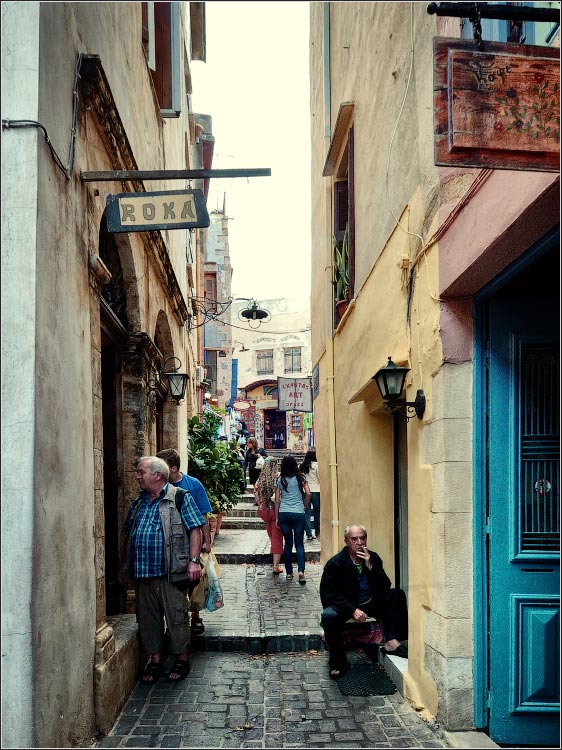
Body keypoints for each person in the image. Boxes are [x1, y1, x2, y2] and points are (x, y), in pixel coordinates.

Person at [119, 456, 205, 684]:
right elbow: (128, 534)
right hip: (143, 571)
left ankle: (181, 657)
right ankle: (155, 659)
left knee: (176, 615)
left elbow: (196, 529)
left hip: (171, 570)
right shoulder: (138, 502)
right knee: (148, 618)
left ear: (157, 475)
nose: (137, 476)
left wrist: (194, 561)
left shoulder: (179, 497)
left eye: (140, 472)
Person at [319, 524, 408, 680]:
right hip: (346, 606)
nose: (359, 542)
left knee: (397, 594)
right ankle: (338, 661)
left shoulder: (372, 557)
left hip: (369, 602)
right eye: (354, 539)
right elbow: (328, 594)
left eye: (362, 538)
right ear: (346, 541)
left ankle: (392, 642)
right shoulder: (336, 563)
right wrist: (352, 609)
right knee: (328, 616)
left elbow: (385, 586)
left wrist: (371, 566)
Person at [156, 448, 212, 637]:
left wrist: (207, 540)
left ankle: (194, 615)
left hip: (191, 540)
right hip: (168, 543)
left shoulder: (192, 484)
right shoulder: (158, 488)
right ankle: (173, 620)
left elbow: (203, 513)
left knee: (193, 581)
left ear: (172, 469)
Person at [274, 455, 311, 584]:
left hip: (284, 512)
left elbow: (277, 500)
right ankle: (301, 571)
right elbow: (308, 494)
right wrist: (305, 506)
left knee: (288, 544)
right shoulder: (301, 478)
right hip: (298, 512)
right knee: (299, 544)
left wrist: (277, 517)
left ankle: (289, 573)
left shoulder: (280, 480)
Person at [254, 457, 284, 575]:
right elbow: (278, 498)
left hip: (263, 510)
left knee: (271, 532)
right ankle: (276, 565)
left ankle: (274, 555)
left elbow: (257, 498)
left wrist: (262, 503)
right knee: (277, 538)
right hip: (274, 510)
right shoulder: (277, 477)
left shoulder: (260, 479)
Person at [300, 449, 321, 541]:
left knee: (306, 513)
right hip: (316, 490)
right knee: (317, 512)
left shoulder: (302, 466)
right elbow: (319, 478)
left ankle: (308, 533)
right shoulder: (316, 466)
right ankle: (317, 531)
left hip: (306, 490)